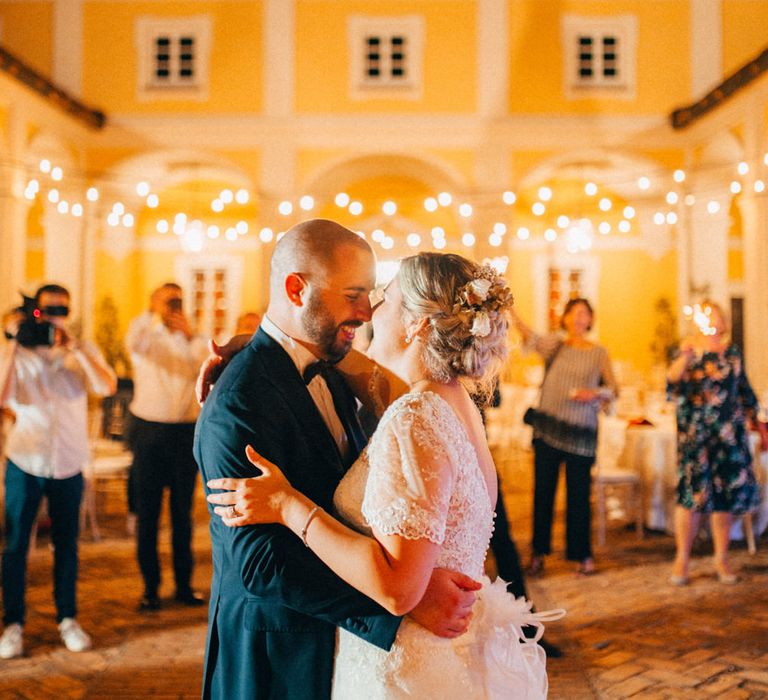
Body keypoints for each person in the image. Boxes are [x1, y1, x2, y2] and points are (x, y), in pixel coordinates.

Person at [205, 250, 563, 698]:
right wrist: (261, 346)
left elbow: (398, 591)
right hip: (441, 656)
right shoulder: (454, 404)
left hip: (402, 664)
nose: (371, 308)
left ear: (417, 324)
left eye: (385, 297)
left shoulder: (414, 415)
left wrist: (287, 505)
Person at [0, 284, 117, 658]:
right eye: (48, 310)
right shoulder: (19, 354)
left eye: (63, 311)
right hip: (25, 460)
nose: (55, 318)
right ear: (36, 311)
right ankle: (13, 623)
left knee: (66, 546)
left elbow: (107, 385)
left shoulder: (80, 351)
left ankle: (67, 618)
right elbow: (1, 398)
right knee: (17, 545)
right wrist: (13, 343)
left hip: (68, 462)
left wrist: (77, 348)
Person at [512, 298, 617, 577]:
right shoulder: (556, 345)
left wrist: (594, 393)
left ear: (591, 319)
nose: (580, 318)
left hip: (581, 436)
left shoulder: (599, 353)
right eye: (575, 313)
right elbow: (529, 336)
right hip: (548, 429)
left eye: (585, 313)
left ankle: (583, 555)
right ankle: (538, 553)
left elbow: (613, 390)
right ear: (566, 318)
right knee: (543, 494)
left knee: (579, 498)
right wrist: (509, 308)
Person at [666, 300, 768, 585]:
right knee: (691, 498)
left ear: (723, 323)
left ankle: (721, 559)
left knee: (723, 499)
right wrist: (685, 358)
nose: (714, 320)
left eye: (717, 315)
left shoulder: (732, 354)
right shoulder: (689, 350)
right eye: (708, 315)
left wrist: (758, 422)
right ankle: (682, 559)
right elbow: (671, 383)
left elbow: (744, 390)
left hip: (728, 438)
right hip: (696, 438)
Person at [126, 283, 209, 611]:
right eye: (167, 299)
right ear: (153, 302)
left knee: (182, 514)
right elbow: (135, 345)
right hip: (148, 431)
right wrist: (155, 317)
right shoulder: (144, 330)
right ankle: (150, 588)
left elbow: (203, 365)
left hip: (184, 433)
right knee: (147, 513)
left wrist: (189, 336)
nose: (173, 305)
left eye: (177, 299)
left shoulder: (194, 335)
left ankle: (184, 585)